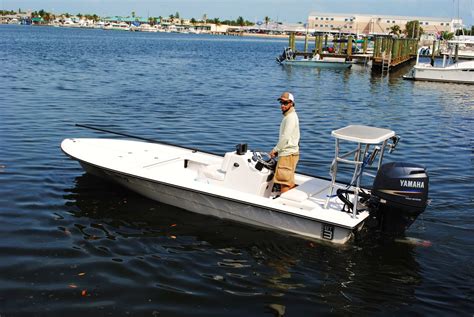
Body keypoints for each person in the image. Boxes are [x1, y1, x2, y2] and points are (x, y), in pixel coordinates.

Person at [269, 92, 300, 194]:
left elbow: (285, 137)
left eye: (285, 103)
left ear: (291, 103)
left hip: (287, 155)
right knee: (289, 182)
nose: (282, 105)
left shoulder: (290, 117)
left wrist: (275, 149)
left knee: (284, 182)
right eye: (281, 102)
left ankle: (284, 205)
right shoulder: (290, 116)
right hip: (290, 153)